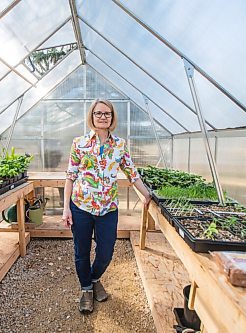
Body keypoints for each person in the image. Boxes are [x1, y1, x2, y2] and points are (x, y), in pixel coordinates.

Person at [62, 99, 151, 314]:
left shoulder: (119, 145)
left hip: (107, 209)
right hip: (81, 207)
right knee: (81, 251)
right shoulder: (79, 143)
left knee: (106, 252)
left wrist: (148, 196)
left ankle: (94, 279)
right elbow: (70, 176)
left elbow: (132, 174)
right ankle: (86, 290)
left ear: (112, 117)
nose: (103, 116)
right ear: (91, 116)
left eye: (107, 113)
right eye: (98, 113)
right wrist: (66, 208)